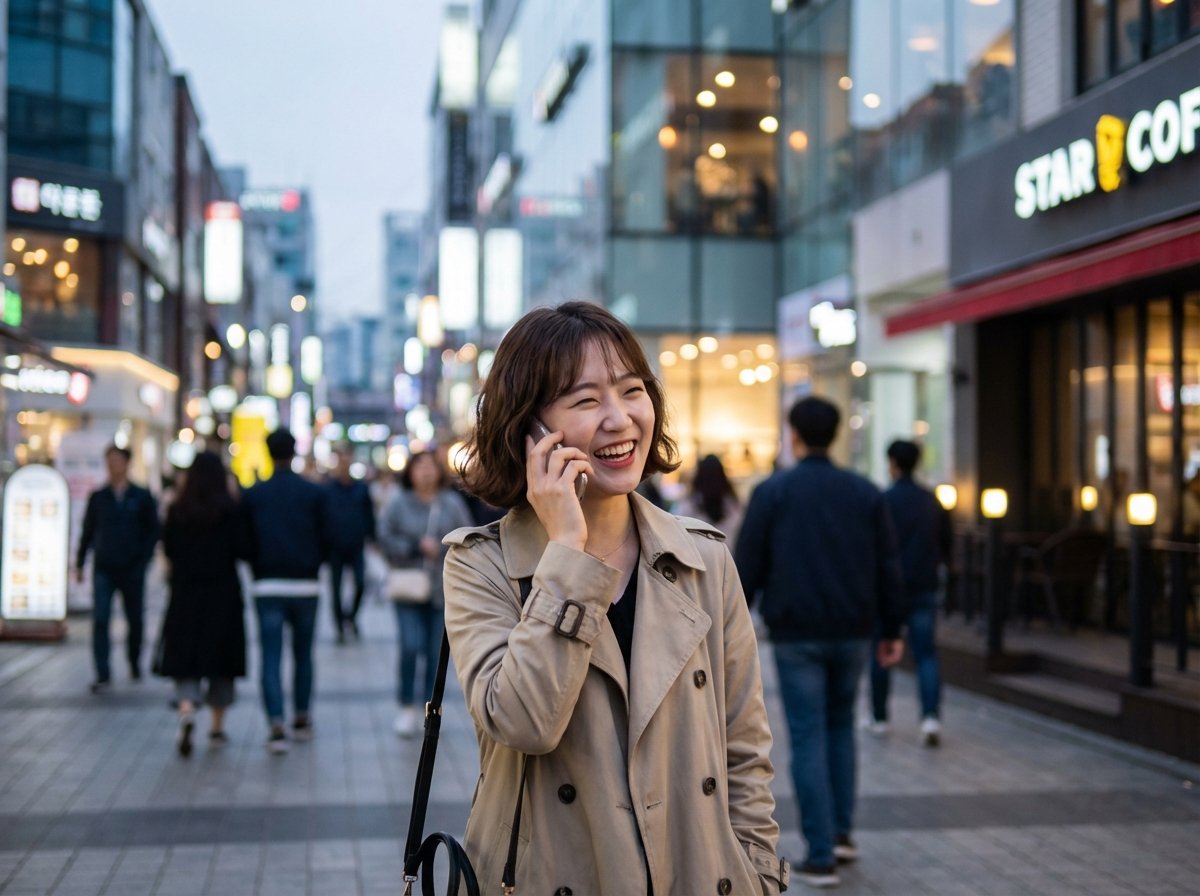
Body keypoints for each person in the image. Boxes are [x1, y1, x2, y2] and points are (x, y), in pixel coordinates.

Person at [443, 302, 789, 896]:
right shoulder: (482, 564)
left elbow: (745, 746)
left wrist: (757, 871)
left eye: (632, 391)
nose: (620, 418)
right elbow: (523, 723)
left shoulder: (702, 558)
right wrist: (567, 551)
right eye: (585, 401)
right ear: (529, 429)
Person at [736, 396, 906, 888]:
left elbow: (747, 566)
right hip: (853, 630)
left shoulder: (773, 491)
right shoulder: (865, 492)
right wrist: (891, 629)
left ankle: (819, 853)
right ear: (835, 435)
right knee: (840, 728)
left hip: (796, 633)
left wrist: (734, 626)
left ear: (793, 435)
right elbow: (888, 565)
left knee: (807, 734)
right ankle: (843, 834)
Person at [241, 429, 330, 754]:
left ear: (268, 453)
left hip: (267, 584)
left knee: (270, 655)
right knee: (303, 654)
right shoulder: (314, 494)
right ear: (294, 453)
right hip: (306, 584)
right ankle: (302, 717)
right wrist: (315, 562)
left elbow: (244, 541)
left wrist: (256, 565)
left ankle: (276, 724)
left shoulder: (254, 495)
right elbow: (328, 536)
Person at [157, 451, 250, 756]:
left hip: (185, 593)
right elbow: (243, 549)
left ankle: (186, 709)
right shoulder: (230, 510)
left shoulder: (178, 510)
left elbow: (169, 549)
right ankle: (216, 728)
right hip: (223, 594)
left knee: (186, 658)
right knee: (221, 663)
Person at [377, 451, 472, 736]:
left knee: (435, 653)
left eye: (431, 466)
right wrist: (415, 546)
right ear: (410, 472)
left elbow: (468, 537)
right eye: (419, 467)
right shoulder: (399, 503)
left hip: (443, 589)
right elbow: (384, 535)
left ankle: (430, 708)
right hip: (408, 586)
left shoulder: (451, 503)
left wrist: (443, 547)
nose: (426, 472)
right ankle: (406, 704)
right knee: (409, 645)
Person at [867, 440, 952, 748]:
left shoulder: (883, 499)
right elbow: (946, 543)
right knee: (926, 653)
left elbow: (873, 546)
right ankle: (930, 717)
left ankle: (880, 717)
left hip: (888, 589)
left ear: (893, 463)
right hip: (923, 585)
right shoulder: (931, 500)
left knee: (881, 650)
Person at [75, 444, 160, 693]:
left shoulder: (141, 496)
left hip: (132, 568)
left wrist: (144, 559)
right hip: (104, 567)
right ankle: (102, 671)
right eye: (110, 461)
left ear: (126, 463)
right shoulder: (99, 497)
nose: (113, 466)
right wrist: (80, 562)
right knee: (101, 618)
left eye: (117, 461)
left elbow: (153, 530)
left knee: (135, 618)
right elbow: (88, 531)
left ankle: (134, 661)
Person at [324, 446, 376, 642]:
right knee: (335, 589)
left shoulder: (361, 488)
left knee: (361, 584)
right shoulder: (327, 489)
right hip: (334, 547)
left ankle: (351, 617)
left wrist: (372, 537)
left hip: (356, 545)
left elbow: (369, 515)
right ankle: (339, 625)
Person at [677, 453, 743, 546]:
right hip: (728, 552)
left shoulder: (690, 504)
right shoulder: (733, 504)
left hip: (698, 553)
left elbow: (678, 528)